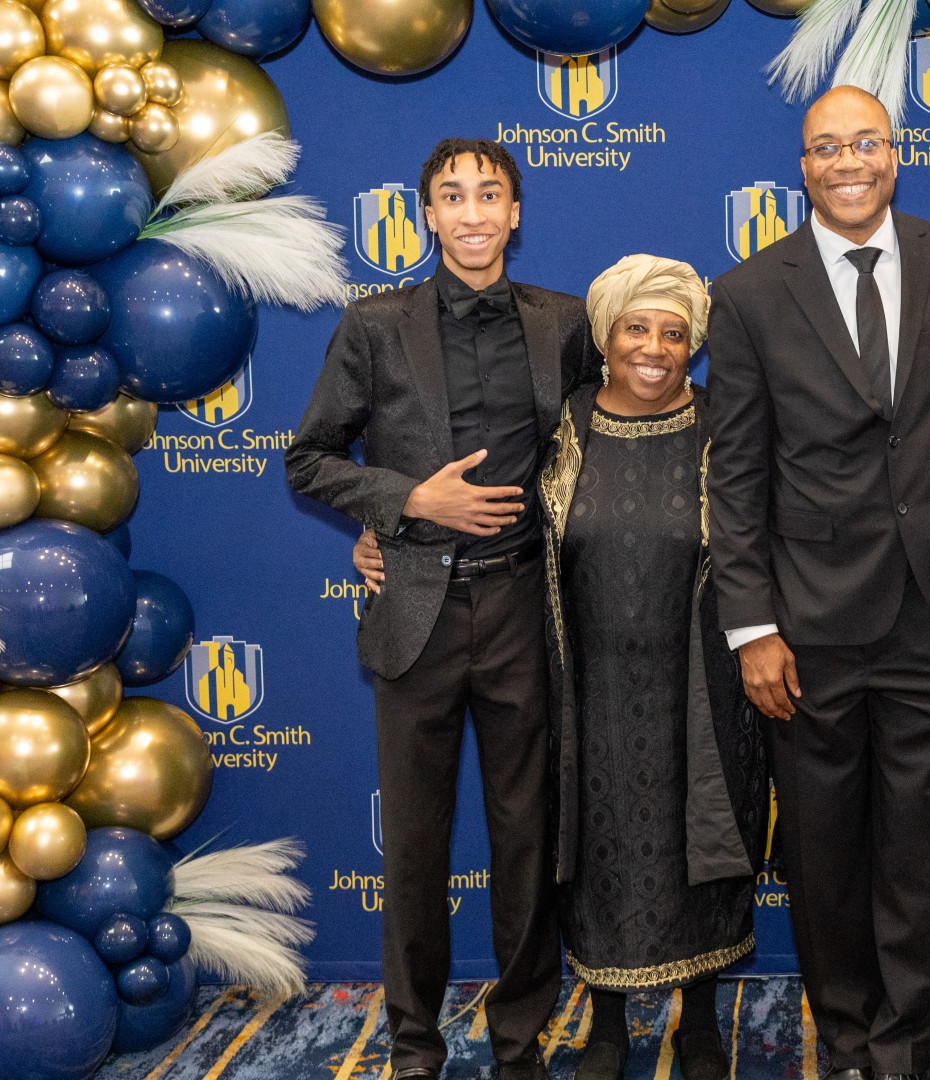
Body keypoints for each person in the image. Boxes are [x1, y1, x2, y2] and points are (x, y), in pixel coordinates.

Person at [356, 255, 767, 1080]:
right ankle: (607, 1023)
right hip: (585, 683)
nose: (655, 347)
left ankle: (699, 1023)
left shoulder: (726, 424)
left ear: (695, 345)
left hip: (701, 683)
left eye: (675, 332)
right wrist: (390, 529)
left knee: (704, 841)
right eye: (636, 329)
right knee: (592, 844)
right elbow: (476, 504)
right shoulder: (564, 424)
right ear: (604, 340)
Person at [705, 85, 930, 1080]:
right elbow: (737, 474)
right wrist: (752, 629)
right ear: (803, 166)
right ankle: (844, 1037)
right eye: (825, 147)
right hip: (807, 630)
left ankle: (906, 1049)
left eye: (864, 142)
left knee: (918, 851)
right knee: (824, 857)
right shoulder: (747, 294)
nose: (846, 162)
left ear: (895, 153)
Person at [286, 138, 593, 1080]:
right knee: (414, 848)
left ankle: (518, 1041)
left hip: (526, 615)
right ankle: (413, 1044)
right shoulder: (376, 325)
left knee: (527, 842)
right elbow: (310, 458)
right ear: (425, 215)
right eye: (450, 197)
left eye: (487, 195)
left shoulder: (566, 323)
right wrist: (408, 503)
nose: (469, 213)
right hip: (415, 616)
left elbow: (607, 452)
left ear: (515, 214)